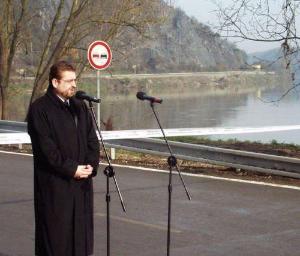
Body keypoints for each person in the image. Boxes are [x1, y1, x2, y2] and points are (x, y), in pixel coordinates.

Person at [27, 60, 100, 256]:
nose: (74, 85)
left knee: (82, 239)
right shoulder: (40, 109)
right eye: (68, 81)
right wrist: (72, 169)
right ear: (55, 83)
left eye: (75, 80)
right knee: (57, 239)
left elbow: (92, 140)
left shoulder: (80, 107)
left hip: (82, 185)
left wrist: (90, 166)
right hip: (55, 186)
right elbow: (46, 150)